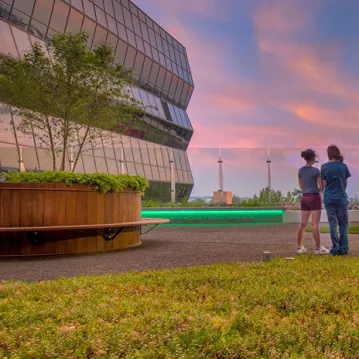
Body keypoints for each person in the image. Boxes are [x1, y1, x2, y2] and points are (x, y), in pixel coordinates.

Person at [296, 149, 329, 255]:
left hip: (304, 197)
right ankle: (318, 248)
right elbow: (321, 186)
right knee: (315, 224)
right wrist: (322, 187)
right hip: (314, 197)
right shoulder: (316, 171)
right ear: (313, 157)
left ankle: (299, 247)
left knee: (302, 224)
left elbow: (301, 186)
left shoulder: (300, 170)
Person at [321, 145, 351, 256]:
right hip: (341, 198)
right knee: (343, 224)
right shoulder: (343, 167)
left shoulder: (324, 167)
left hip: (329, 198)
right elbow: (345, 184)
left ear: (328, 154)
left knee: (332, 224)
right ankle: (343, 249)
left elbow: (324, 184)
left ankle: (335, 248)